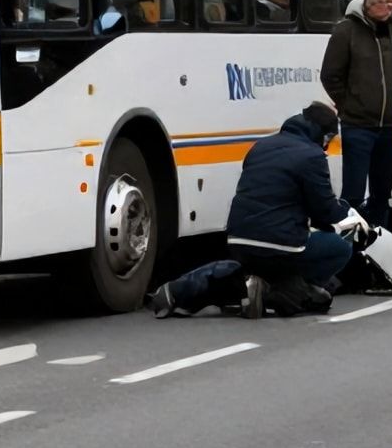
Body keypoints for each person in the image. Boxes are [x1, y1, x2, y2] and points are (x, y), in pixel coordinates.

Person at [148, 102, 367, 318]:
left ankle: (246, 287)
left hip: (238, 240)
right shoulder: (313, 156)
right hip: (279, 245)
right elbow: (325, 211)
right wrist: (350, 217)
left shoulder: (261, 146)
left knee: (249, 266)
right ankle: (281, 291)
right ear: (324, 134)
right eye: (329, 139)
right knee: (340, 248)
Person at [320, 0, 392, 225]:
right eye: (386, 4)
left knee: (382, 193)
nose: (391, 9)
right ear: (370, 3)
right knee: (354, 194)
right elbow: (330, 75)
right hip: (358, 126)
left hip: (389, 125)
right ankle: (350, 241)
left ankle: (380, 238)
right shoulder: (346, 31)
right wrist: (350, 105)